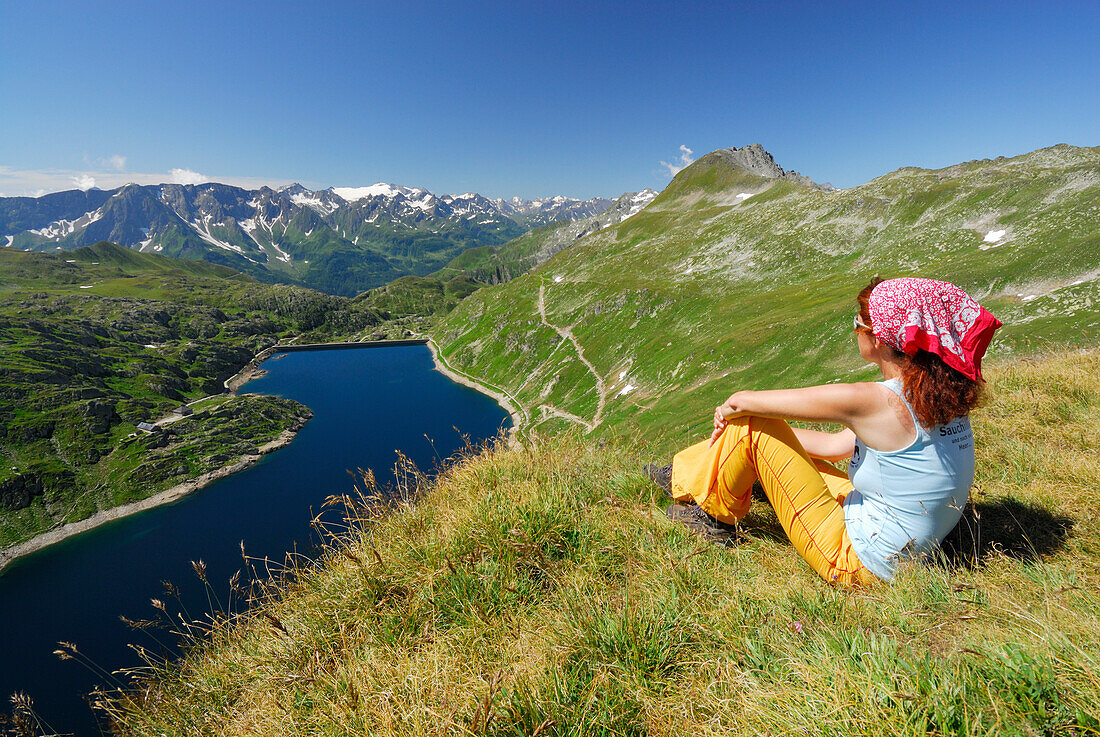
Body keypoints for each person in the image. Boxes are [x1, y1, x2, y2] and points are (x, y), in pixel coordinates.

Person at [649, 277, 1002, 585]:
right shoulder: (936, 397)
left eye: (857, 323)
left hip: (856, 560)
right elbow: (834, 446)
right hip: (907, 551)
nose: (854, 331)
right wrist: (757, 444)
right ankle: (696, 474)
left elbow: (743, 402)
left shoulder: (872, 401)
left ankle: (708, 515)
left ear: (879, 339)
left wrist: (730, 411)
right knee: (754, 435)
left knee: (751, 423)